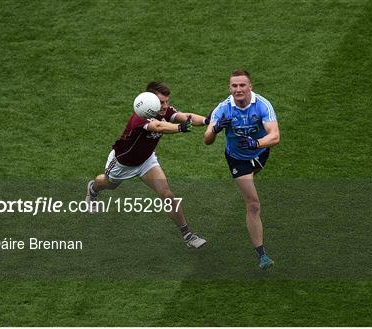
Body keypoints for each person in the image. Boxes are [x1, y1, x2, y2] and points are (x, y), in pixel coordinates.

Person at [86, 81, 207, 249]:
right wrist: (180, 128)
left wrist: (208, 120)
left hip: (146, 162)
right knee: (107, 184)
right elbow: (158, 126)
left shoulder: (166, 111)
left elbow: (187, 116)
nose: (165, 106)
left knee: (168, 195)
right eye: (161, 102)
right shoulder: (139, 117)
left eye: (166, 101)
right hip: (122, 163)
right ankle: (92, 189)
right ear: (151, 102)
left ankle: (188, 235)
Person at [203, 70, 280, 269]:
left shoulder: (263, 105)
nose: (238, 89)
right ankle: (262, 255)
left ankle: (247, 189)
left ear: (250, 87)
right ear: (230, 88)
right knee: (253, 204)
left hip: (260, 153)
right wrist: (216, 127)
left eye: (242, 85)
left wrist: (256, 144)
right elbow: (207, 140)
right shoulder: (223, 109)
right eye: (234, 86)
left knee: (250, 189)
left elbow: (275, 137)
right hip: (238, 160)